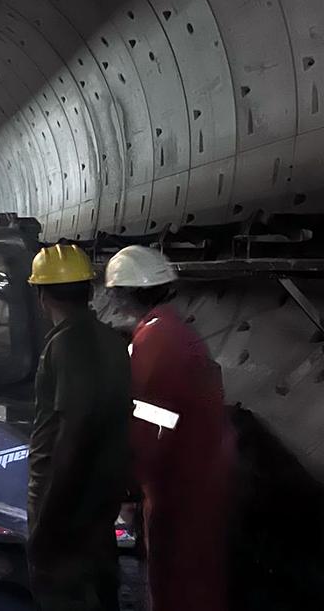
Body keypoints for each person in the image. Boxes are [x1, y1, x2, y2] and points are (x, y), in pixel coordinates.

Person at [105, 245, 231, 611]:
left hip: (175, 484)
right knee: (199, 577)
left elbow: (149, 421)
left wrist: (127, 487)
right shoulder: (175, 331)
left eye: (114, 292)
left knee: (174, 581)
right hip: (202, 473)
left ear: (126, 294)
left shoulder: (154, 341)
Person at [26, 244, 131, 611]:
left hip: (66, 500)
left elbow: (73, 429)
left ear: (42, 295)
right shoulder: (112, 339)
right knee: (100, 585)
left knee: (62, 591)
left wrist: (48, 522)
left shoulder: (66, 345)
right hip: (101, 493)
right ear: (89, 290)